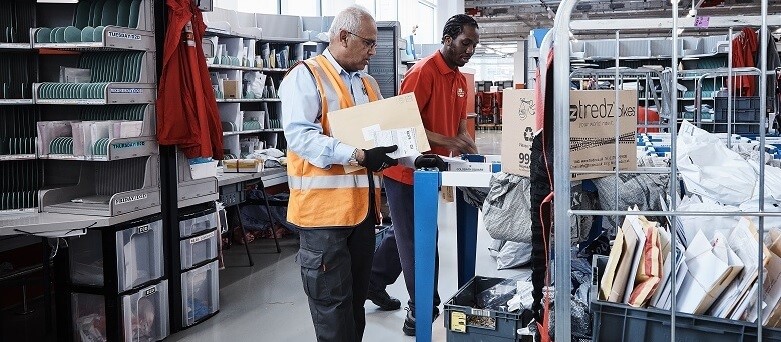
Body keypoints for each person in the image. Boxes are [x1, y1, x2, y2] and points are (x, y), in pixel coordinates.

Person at [279, 6, 401, 342]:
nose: (373, 51)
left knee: (354, 304)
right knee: (332, 305)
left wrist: (412, 155)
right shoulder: (305, 76)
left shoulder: (367, 83)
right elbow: (301, 137)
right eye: (368, 43)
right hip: (323, 217)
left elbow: (384, 135)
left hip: (360, 213)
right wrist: (358, 155)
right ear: (343, 37)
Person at [367, 14, 479, 336]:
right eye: (464, 43)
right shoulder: (422, 73)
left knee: (404, 233)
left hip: (431, 172)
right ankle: (421, 310)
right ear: (447, 39)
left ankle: (372, 280)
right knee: (419, 240)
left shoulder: (459, 80)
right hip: (404, 171)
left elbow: (459, 127)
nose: (469, 50)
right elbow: (402, 129)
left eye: (473, 45)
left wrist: (468, 147)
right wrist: (449, 141)